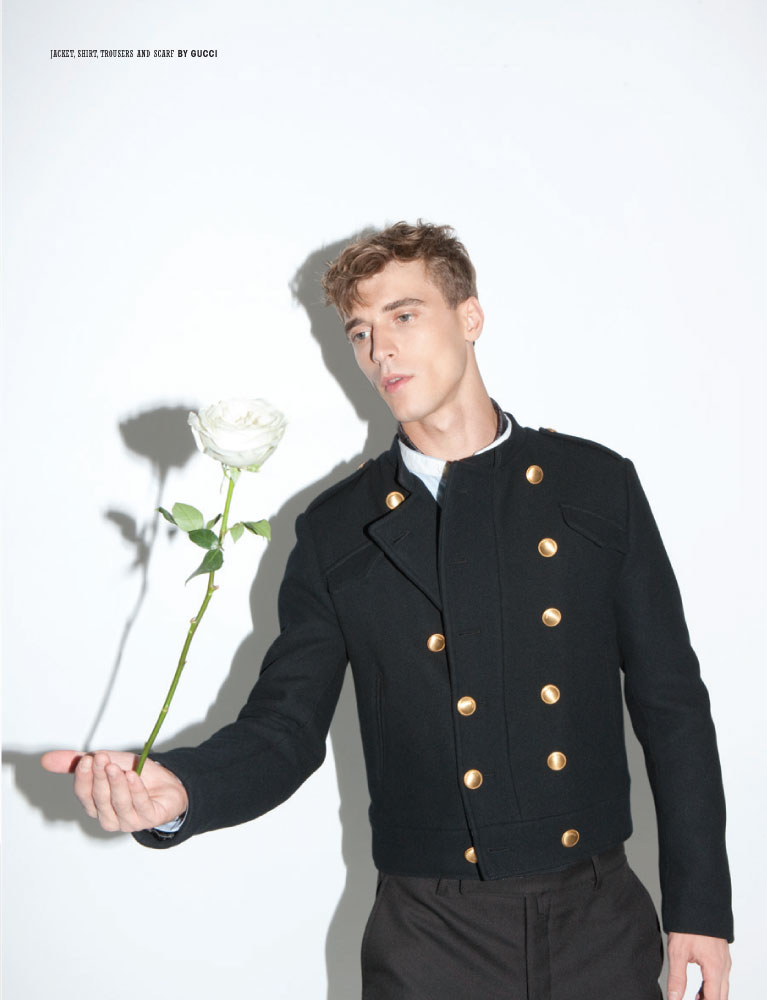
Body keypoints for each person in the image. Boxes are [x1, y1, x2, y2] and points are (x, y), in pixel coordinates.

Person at [43, 222, 733, 999]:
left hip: (597, 922)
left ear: (469, 317)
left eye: (404, 315)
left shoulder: (594, 486)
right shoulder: (337, 530)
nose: (381, 349)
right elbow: (283, 729)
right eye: (361, 331)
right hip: (430, 937)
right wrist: (182, 790)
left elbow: (672, 705)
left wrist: (699, 908)